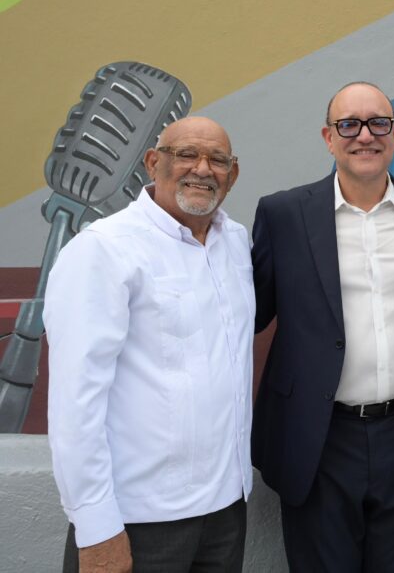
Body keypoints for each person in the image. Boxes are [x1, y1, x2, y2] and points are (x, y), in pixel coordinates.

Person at [250, 82, 394, 572]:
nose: (364, 136)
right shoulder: (283, 215)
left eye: (377, 123)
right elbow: (249, 313)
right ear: (328, 137)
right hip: (318, 437)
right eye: (349, 124)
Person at [45, 116, 253, 573]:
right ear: (153, 162)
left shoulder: (235, 244)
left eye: (217, 160)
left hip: (224, 514)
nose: (202, 168)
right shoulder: (103, 250)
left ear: (232, 174)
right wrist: (97, 530)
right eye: (186, 155)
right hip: (139, 520)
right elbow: (75, 405)